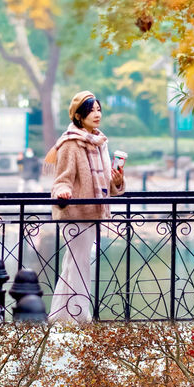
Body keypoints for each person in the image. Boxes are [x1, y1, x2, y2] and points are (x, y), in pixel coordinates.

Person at [44, 91, 125, 323]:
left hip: (95, 211)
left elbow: (106, 183)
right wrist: (62, 191)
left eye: (99, 109)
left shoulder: (100, 142)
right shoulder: (70, 143)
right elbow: (62, 178)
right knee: (81, 262)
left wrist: (118, 181)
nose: (97, 114)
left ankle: (59, 315)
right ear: (79, 116)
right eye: (91, 110)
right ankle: (81, 316)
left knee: (74, 262)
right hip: (77, 212)